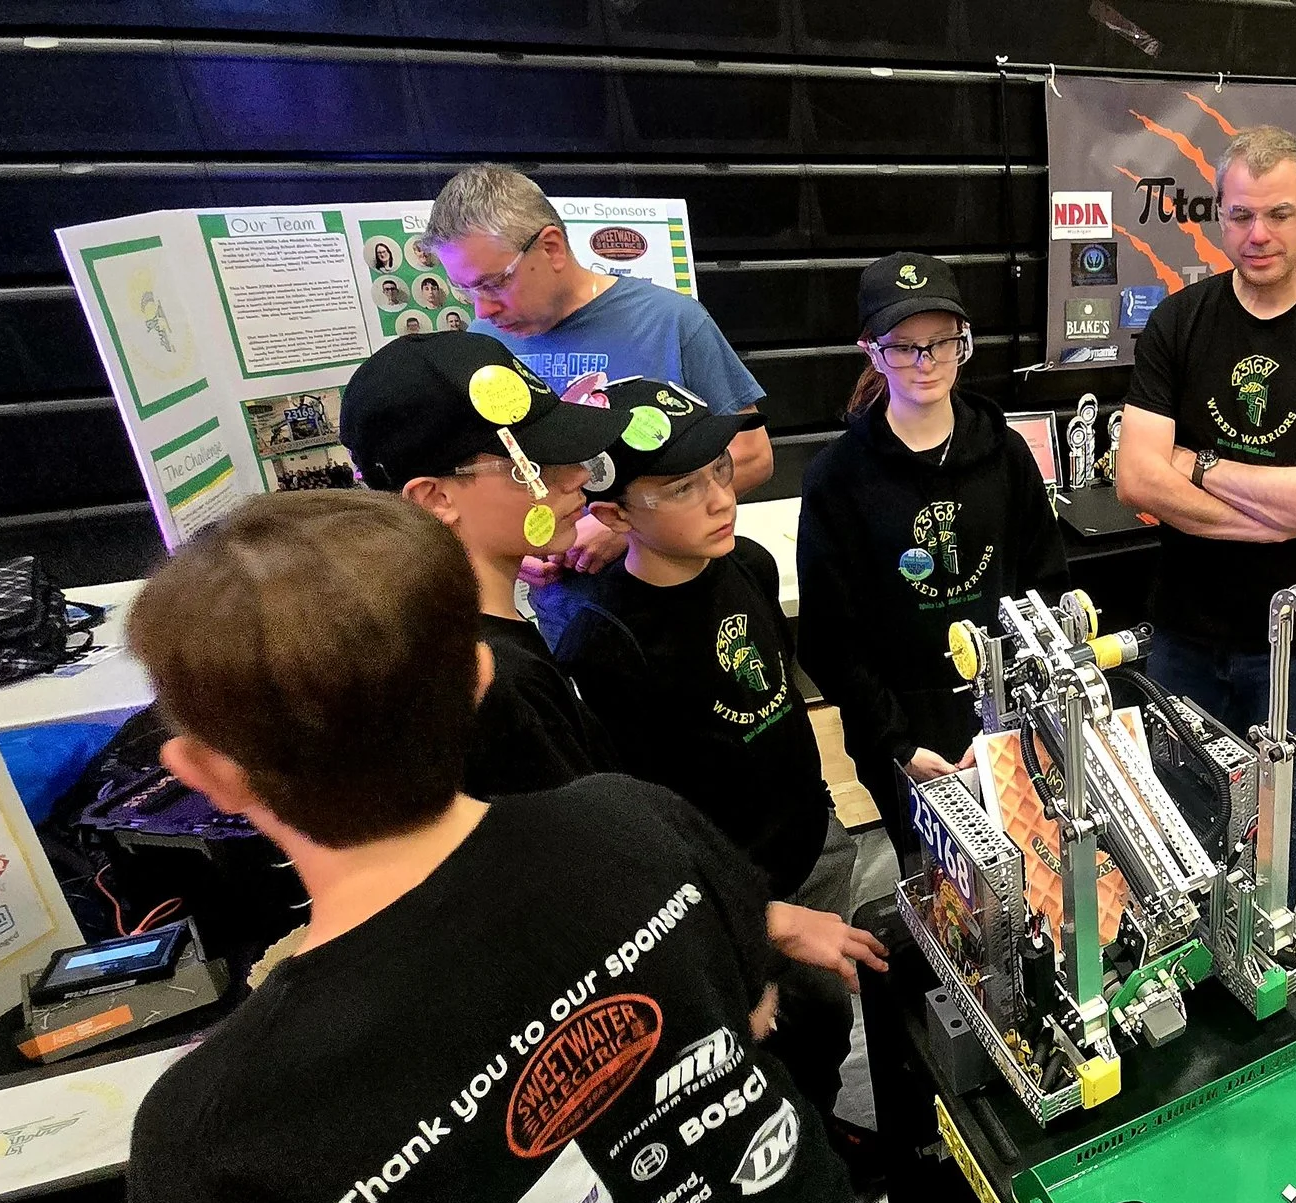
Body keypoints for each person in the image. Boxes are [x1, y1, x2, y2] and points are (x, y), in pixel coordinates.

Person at [126, 491, 906, 1203]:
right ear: (479, 675)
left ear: (209, 774)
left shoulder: (217, 1136)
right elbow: (749, 1011)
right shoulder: (633, 822)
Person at [550, 376, 864, 1120]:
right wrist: (737, 912)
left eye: (720, 470)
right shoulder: (607, 641)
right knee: (752, 1049)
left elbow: (776, 701)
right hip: (725, 893)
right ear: (611, 512)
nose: (722, 498)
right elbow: (639, 819)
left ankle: (824, 1126)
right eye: (684, 486)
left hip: (811, 843)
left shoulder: (748, 564)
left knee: (823, 1023)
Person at [1116, 126, 1296, 905]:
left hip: (1288, 635)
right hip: (1183, 624)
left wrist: (1200, 462)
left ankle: (1270, 939)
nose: (1257, 234)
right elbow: (1137, 476)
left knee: (1279, 795)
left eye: (1277, 213)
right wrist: (1274, 513)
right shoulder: (1179, 323)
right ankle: (1183, 941)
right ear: (1219, 218)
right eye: (1239, 215)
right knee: (1175, 791)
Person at [797, 252, 1071, 860]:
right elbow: (830, 638)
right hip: (903, 738)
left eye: (941, 343)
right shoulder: (837, 478)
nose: (925, 362)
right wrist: (897, 745)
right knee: (937, 894)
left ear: (962, 342)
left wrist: (1012, 719)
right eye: (903, 346)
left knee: (1034, 870)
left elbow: (1044, 589)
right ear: (872, 351)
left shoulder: (1006, 455)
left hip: (1011, 718)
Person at [427, 163, 773, 583]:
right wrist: (509, 544)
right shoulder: (483, 343)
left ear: (551, 247)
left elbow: (752, 455)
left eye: (493, 283)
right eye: (466, 290)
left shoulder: (670, 321)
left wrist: (628, 525)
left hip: (670, 598)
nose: (482, 309)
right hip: (558, 613)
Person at [339, 331, 621, 799]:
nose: (577, 475)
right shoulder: (497, 680)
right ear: (435, 499)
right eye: (531, 464)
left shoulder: (439, 632)